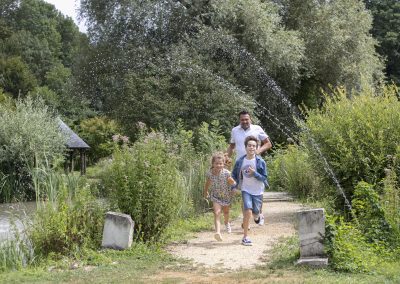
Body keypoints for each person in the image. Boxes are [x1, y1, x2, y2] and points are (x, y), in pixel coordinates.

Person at [226, 110, 272, 226]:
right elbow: (231, 146)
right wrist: (226, 157)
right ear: (239, 120)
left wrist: (258, 151)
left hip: (255, 164)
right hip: (240, 165)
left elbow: (268, 143)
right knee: (244, 191)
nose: (244, 121)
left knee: (257, 190)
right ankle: (245, 221)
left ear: (250, 119)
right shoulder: (235, 130)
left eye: (246, 119)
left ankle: (258, 213)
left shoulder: (257, 128)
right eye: (242, 119)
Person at [232, 136, 268, 246]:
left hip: (258, 191)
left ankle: (258, 217)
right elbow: (234, 175)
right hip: (246, 189)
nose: (251, 148)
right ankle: (245, 237)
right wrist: (233, 186)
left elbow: (264, 178)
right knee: (247, 210)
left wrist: (254, 173)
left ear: (256, 148)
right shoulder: (240, 161)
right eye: (249, 146)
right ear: (246, 147)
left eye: (253, 146)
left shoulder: (260, 162)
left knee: (255, 213)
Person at [203, 152, 236, 241]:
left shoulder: (226, 173)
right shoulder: (209, 173)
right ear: (213, 164)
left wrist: (233, 189)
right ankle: (218, 232)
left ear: (223, 164)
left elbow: (233, 183)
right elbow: (207, 183)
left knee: (226, 212)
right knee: (217, 213)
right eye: (216, 163)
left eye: (221, 163)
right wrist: (205, 192)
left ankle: (226, 223)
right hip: (215, 196)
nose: (219, 165)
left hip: (226, 196)